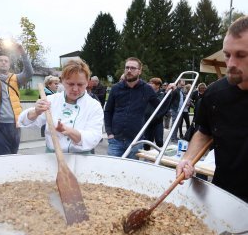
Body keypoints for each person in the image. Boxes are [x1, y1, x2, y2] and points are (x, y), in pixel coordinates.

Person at [176, 15, 248, 203]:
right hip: (225, 195)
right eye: (227, 54)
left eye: (241, 55)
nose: (230, 64)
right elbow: (204, 132)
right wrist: (188, 158)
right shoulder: (215, 94)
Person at [18, 59, 104, 153]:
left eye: (80, 84)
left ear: (87, 82)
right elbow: (24, 123)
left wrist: (69, 131)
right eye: (70, 84)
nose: (75, 89)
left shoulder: (93, 106)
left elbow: (94, 137)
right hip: (52, 158)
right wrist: (36, 112)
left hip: (81, 159)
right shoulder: (51, 100)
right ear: (62, 81)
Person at [104, 57, 160, 160]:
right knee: (112, 170)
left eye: (133, 68)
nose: (129, 70)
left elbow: (161, 107)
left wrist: (172, 92)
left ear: (139, 71)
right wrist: (109, 133)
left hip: (135, 141)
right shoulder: (116, 88)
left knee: (131, 172)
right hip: (115, 140)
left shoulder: (147, 89)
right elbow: (108, 111)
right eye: (127, 68)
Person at [144, 77, 165, 150]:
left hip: (157, 121)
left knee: (159, 141)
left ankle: (159, 156)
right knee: (146, 141)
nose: (150, 84)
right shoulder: (146, 94)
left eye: (152, 83)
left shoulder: (162, 94)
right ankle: (146, 158)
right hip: (147, 120)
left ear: (158, 85)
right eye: (150, 83)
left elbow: (159, 104)